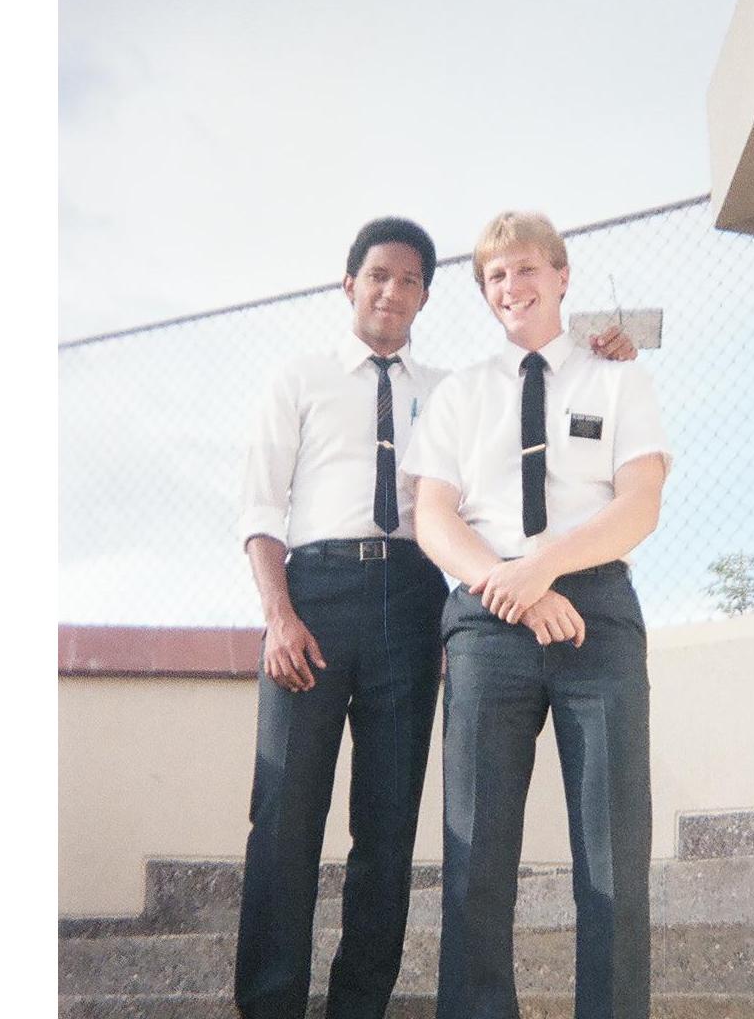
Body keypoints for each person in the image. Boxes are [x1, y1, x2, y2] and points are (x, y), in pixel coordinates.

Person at [233, 216, 635, 1019]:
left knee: (387, 832)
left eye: (411, 280)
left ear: (427, 295)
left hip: (413, 603)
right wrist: (278, 614)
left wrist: (605, 344)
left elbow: (537, 383)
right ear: (349, 284)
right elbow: (260, 510)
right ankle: (269, 1004)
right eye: (378, 275)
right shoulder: (299, 379)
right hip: (313, 596)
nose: (393, 291)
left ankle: (359, 1008)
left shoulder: (451, 388)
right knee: (284, 820)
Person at [403, 210, 671, 1019]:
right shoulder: (460, 393)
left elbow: (642, 503)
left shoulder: (616, 378)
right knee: (476, 855)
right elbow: (433, 516)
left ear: (561, 276)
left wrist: (546, 567)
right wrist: (507, 582)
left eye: (526, 269)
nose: (511, 287)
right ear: (484, 294)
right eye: (494, 277)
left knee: (612, 857)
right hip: (487, 624)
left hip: (596, 615)